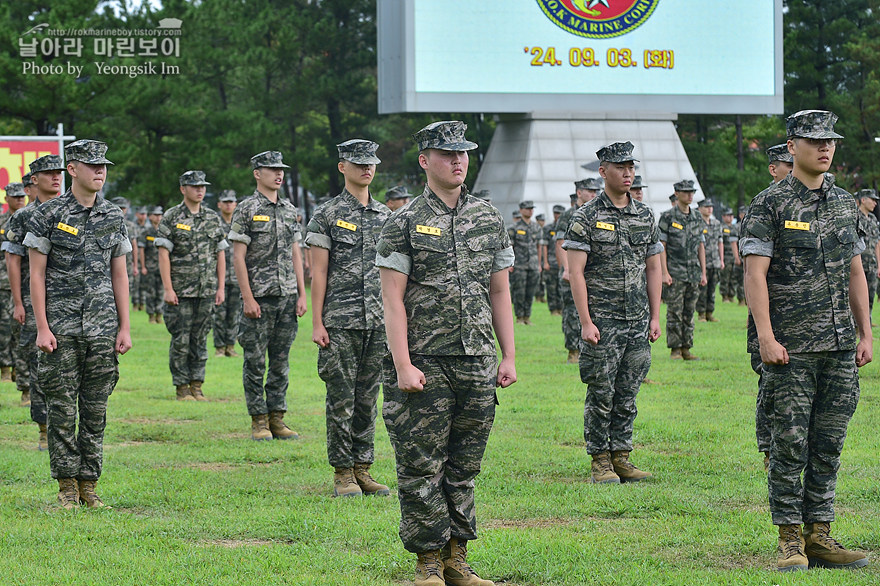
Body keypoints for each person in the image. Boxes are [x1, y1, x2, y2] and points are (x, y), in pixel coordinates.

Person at [377, 120, 516, 586]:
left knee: (464, 466)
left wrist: (508, 356)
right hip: (425, 361)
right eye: (446, 154)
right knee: (421, 465)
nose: (458, 161)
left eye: (463, 153)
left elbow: (499, 291)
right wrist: (402, 364)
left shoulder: (487, 217)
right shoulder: (403, 221)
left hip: (476, 359)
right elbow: (392, 298)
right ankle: (427, 563)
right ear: (424, 161)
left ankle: (457, 559)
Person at [741, 110, 872, 572]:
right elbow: (754, 275)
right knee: (788, 444)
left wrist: (865, 333)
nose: (825, 147)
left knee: (828, 443)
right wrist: (766, 337)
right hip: (791, 349)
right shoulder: (769, 204)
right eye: (815, 140)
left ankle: (820, 535)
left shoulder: (843, 204)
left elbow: (856, 271)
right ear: (792, 146)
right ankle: (789, 540)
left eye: (831, 141)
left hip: (838, 347)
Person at [24, 139, 132, 509]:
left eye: (103, 165)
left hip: (102, 328)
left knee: (96, 408)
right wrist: (42, 326)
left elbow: (120, 274)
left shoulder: (113, 215)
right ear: (72, 169)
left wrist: (125, 327)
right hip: (61, 327)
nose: (100, 171)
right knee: (62, 408)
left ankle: (90, 482)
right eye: (92, 165)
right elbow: (35, 275)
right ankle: (67, 484)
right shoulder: (48, 214)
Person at [564, 141, 662, 485]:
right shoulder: (586, 216)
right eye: (620, 167)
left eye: (631, 167)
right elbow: (575, 272)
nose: (627, 173)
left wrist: (654, 316)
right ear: (603, 171)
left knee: (628, 391)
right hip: (602, 321)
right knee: (601, 392)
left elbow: (653, 267)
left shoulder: (645, 215)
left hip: (636, 320)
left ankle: (622, 455)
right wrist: (586, 321)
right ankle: (600, 461)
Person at [306, 139, 391, 498]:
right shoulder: (326, 215)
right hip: (340, 321)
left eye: (371, 163)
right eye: (358, 163)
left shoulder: (387, 215)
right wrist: (317, 322)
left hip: (378, 321)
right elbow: (319, 273)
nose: (366, 169)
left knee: (368, 398)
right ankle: (343, 472)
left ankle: (363, 467)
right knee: (341, 397)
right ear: (343, 167)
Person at [227, 151, 307, 440]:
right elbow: (238, 257)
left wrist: (301, 293)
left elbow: (296, 253)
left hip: (286, 296)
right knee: (255, 361)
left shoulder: (288, 209)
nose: (279, 174)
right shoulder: (246, 209)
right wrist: (247, 297)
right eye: (271, 169)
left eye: (281, 169)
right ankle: (258, 419)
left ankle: (277, 417)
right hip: (259, 298)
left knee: (281, 361)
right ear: (257, 173)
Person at [4, 155, 64, 450]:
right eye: (49, 173)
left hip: (68, 302)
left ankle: (65, 428)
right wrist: (18, 302)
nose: (56, 178)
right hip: (32, 300)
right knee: (38, 365)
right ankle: (43, 429)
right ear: (34, 180)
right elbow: (13, 262)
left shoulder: (72, 211)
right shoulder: (23, 216)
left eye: (59, 173)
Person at [156, 170, 227, 401]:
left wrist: (220, 287)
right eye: (194, 186)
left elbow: (220, 253)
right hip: (180, 291)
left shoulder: (212, 218)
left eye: (203, 186)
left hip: (206, 290)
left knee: (200, 338)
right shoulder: (172, 216)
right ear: (183, 189)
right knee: (181, 339)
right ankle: (182, 387)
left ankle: (197, 384)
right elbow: (163, 254)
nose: (200, 190)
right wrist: (168, 288)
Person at [658, 180, 707, 360]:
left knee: (689, 312)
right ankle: (675, 349)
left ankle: (687, 347)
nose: (690, 195)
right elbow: (661, 246)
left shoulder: (696, 217)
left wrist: (703, 272)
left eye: (691, 192)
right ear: (677, 194)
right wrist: (664, 272)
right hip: (675, 272)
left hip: (693, 272)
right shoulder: (668, 217)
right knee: (675, 312)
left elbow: (701, 245)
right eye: (686, 192)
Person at [557, 179, 601, 363]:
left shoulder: (599, 213)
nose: (593, 194)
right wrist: (566, 268)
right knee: (570, 311)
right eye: (589, 191)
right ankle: (573, 351)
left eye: (595, 191)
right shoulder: (568, 215)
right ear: (579, 192)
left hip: (592, 274)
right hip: (572, 272)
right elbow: (560, 243)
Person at [0, 183, 28, 388]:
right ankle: (4, 367)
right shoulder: (1, 221)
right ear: (6, 199)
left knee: (21, 329)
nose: (19, 200)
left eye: (21, 196)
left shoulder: (32, 218)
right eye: (15, 197)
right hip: (2, 282)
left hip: (25, 283)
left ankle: (20, 370)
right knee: (3, 327)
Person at [213, 190, 241, 357]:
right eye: (225, 202)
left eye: (231, 202)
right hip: (219, 277)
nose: (228, 205)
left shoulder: (239, 224)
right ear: (219, 204)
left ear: (235, 204)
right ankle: (219, 347)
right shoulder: (214, 223)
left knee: (234, 314)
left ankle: (230, 346)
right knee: (219, 314)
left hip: (237, 277)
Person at [509, 200, 542, 324]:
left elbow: (539, 246)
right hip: (519, 265)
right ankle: (519, 317)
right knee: (519, 292)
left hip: (533, 265)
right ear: (521, 210)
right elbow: (510, 247)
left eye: (532, 209)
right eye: (528, 209)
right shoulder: (514, 228)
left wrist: (539, 264)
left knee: (530, 292)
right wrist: (511, 264)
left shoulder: (536, 227)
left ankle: (527, 317)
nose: (530, 211)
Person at [696, 199, 724, 322]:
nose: (709, 209)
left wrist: (721, 260)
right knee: (702, 289)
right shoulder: (697, 223)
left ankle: (709, 312)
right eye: (706, 206)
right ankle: (701, 313)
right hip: (702, 262)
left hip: (715, 261)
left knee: (712, 290)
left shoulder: (717, 223)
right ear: (700, 208)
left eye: (711, 206)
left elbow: (720, 242)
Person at [855, 189, 880, 319]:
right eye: (873, 200)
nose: (875, 203)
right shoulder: (854, 216)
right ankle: (856, 327)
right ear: (863, 200)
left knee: (870, 296)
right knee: (856, 298)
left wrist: (879, 265)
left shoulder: (873, 219)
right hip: (857, 266)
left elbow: (877, 243)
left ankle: (867, 324)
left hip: (872, 265)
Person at [139, 207, 165, 323]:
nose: (158, 217)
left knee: (161, 291)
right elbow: (141, 250)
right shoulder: (146, 232)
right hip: (150, 267)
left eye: (160, 215)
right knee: (150, 292)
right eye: (155, 215)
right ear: (150, 217)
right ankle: (151, 315)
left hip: (162, 267)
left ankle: (159, 314)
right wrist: (143, 266)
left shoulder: (164, 231)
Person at [541, 204, 565, 315]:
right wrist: (545, 262)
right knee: (551, 287)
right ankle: (553, 309)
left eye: (559, 213)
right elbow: (544, 245)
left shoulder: (567, 226)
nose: (557, 215)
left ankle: (560, 308)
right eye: (555, 213)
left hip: (563, 262)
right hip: (551, 262)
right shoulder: (548, 228)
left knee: (561, 288)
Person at [719, 206, 740, 302]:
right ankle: (724, 296)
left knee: (733, 277)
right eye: (728, 215)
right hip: (725, 256)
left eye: (731, 215)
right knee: (725, 277)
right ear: (723, 217)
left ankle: (731, 295)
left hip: (734, 255)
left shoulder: (735, 227)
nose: (730, 217)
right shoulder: (721, 227)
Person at [133, 207, 148, 310]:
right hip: (135, 259)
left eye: (144, 214)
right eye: (141, 214)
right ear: (137, 214)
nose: (143, 216)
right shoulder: (133, 227)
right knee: (135, 283)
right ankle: (135, 303)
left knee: (144, 283)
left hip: (147, 260)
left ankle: (142, 303)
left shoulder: (148, 228)